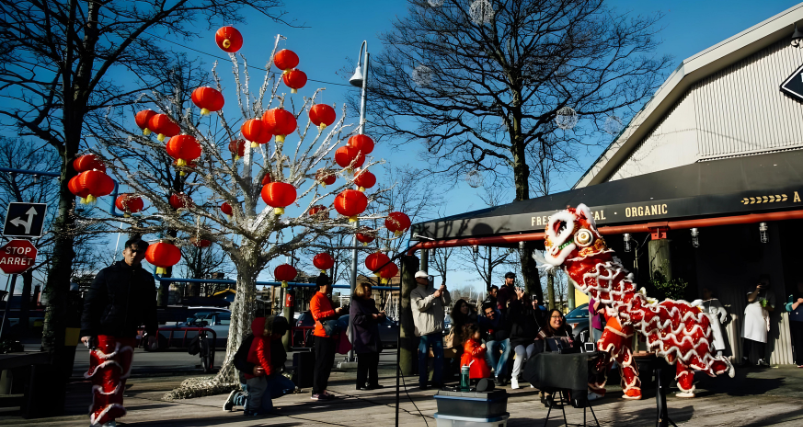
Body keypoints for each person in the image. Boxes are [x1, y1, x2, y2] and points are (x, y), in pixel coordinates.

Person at [81, 238, 157, 427]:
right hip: (104, 332)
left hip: (129, 334)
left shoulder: (146, 279)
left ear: (144, 256)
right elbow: (91, 303)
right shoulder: (107, 274)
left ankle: (108, 417)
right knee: (107, 376)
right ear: (124, 252)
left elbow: (150, 308)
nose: (135, 254)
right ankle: (103, 418)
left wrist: (152, 332)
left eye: (140, 252)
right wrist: (87, 331)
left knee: (120, 378)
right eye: (132, 250)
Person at [225, 315, 295, 416]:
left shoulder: (275, 341)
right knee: (265, 409)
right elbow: (238, 360)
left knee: (289, 386)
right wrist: (251, 369)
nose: (279, 336)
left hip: (267, 375)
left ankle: (260, 399)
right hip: (251, 377)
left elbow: (282, 357)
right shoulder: (254, 339)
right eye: (277, 333)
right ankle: (240, 398)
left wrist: (273, 366)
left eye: (281, 333)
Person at [411, 270, 451, 389]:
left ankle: (437, 381)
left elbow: (446, 302)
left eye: (427, 278)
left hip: (437, 330)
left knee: (439, 358)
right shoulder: (414, 292)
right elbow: (420, 306)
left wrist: (444, 292)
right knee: (423, 358)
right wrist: (434, 296)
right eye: (424, 278)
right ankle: (423, 382)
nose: (427, 279)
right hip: (424, 332)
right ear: (417, 279)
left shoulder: (434, 290)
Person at [310, 274, 344, 400]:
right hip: (321, 334)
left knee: (328, 364)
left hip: (329, 334)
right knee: (321, 363)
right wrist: (333, 312)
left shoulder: (326, 298)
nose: (330, 286)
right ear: (321, 285)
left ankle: (322, 389)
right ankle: (317, 391)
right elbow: (316, 315)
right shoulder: (316, 298)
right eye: (328, 284)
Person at [537, 309, 577, 406]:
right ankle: (547, 394)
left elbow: (573, 347)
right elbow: (539, 352)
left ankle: (572, 394)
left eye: (560, 316)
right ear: (549, 319)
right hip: (547, 363)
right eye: (554, 317)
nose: (558, 319)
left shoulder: (566, 330)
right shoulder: (543, 333)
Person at [350, 282, 385, 390]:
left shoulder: (371, 302)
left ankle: (373, 382)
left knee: (374, 362)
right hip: (363, 337)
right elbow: (356, 319)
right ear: (361, 291)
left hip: (373, 336)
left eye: (369, 290)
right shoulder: (356, 303)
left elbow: (376, 316)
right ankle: (360, 383)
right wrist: (371, 316)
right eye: (366, 291)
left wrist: (380, 315)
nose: (368, 293)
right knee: (363, 363)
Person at [508, 289, 544, 389]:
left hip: (530, 339)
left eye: (524, 298)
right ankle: (514, 377)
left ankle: (531, 377)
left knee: (530, 352)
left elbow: (540, 320)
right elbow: (511, 315)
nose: (523, 300)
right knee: (521, 353)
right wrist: (518, 300)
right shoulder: (514, 307)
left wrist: (536, 309)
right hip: (517, 339)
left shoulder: (531, 309)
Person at [742, 275, 775, 367]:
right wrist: (757, 290)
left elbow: (772, 308)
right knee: (747, 337)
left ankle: (761, 359)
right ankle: (745, 359)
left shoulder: (770, 293)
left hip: (761, 316)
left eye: (766, 282)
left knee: (761, 338)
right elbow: (750, 299)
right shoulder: (752, 288)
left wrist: (765, 305)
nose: (764, 284)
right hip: (750, 316)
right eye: (762, 282)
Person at [479, 302, 511, 386]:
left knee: (508, 349)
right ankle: (501, 374)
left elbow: (508, 327)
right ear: (485, 314)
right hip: (492, 339)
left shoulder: (501, 315)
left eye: (491, 312)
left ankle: (497, 374)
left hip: (504, 338)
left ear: (494, 310)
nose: (490, 314)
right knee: (489, 349)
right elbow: (483, 334)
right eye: (488, 313)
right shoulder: (483, 321)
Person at [701, 288, 728, 357]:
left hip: (714, 320)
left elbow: (723, 311)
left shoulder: (715, 301)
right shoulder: (702, 302)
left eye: (706, 292)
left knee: (717, 335)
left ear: (710, 292)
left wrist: (722, 319)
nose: (704, 293)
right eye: (703, 292)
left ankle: (719, 352)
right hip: (705, 320)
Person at [785, 281, 803, 368]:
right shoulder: (792, 296)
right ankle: (800, 361)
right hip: (796, 322)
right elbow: (788, 308)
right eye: (800, 284)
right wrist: (799, 302)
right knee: (798, 341)